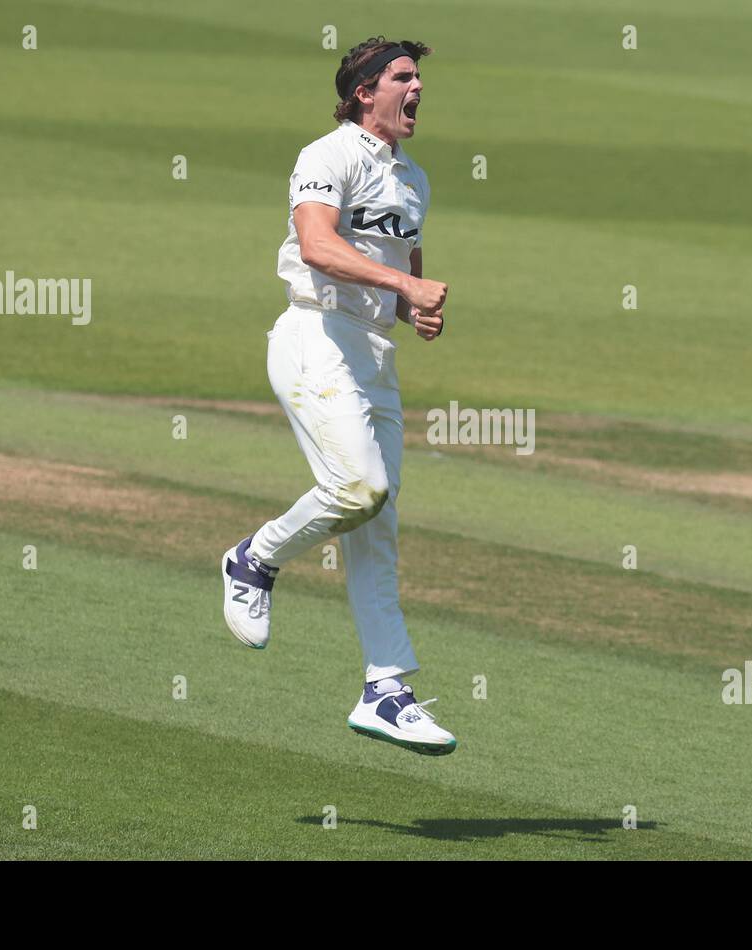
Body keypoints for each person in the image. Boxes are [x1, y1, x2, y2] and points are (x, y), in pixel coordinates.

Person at [220, 37, 456, 756]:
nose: (417, 89)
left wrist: (412, 308)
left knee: (375, 520)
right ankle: (254, 558)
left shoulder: (413, 178)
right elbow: (319, 248)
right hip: (314, 337)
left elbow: (396, 267)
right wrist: (407, 287)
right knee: (357, 489)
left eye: (418, 78)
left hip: (372, 355)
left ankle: (387, 687)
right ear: (364, 92)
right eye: (402, 78)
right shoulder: (327, 156)